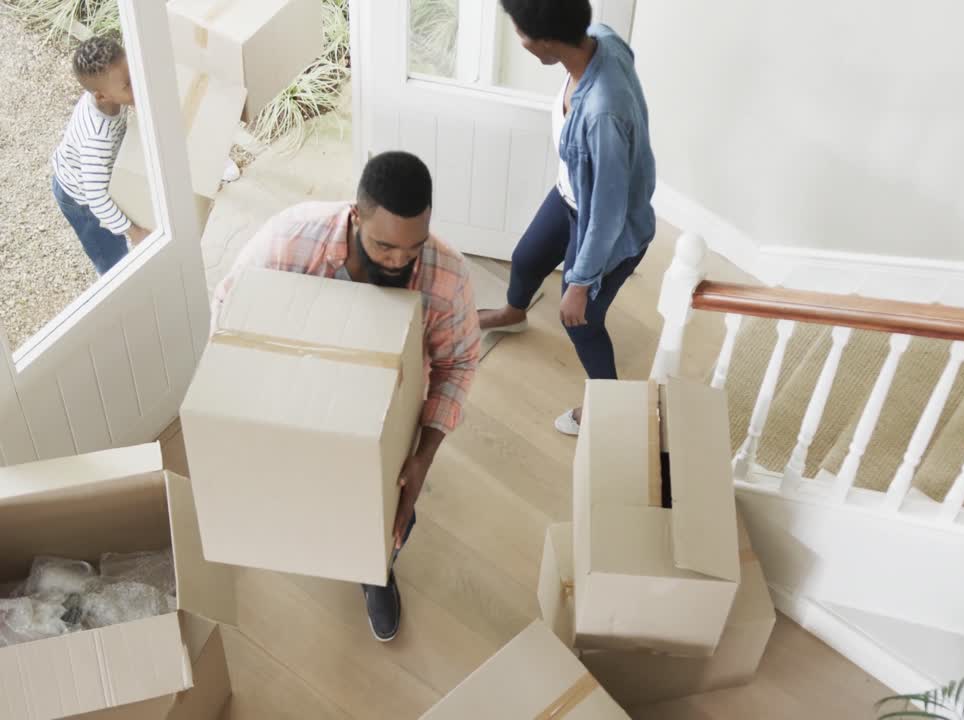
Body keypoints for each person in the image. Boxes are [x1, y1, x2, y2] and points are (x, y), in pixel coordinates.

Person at [211, 151, 480, 642]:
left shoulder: (448, 277)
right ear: (356, 215)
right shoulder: (291, 241)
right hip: (299, 391)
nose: (400, 261)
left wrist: (423, 457)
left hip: (386, 409)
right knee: (304, 493)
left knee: (385, 509)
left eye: (412, 248)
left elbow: (458, 363)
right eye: (384, 246)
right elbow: (231, 308)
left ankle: (376, 567)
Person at [478, 0, 656, 436]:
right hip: (571, 196)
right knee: (525, 258)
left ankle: (608, 406)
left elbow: (608, 215)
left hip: (605, 225)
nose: (519, 40)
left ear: (546, 43)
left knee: (580, 320)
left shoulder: (602, 114)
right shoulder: (603, 39)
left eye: (520, 32)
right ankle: (512, 313)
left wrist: (579, 283)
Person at [52, 35, 151, 276]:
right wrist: (135, 233)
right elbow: (97, 198)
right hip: (80, 198)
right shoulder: (98, 140)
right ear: (101, 96)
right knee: (111, 255)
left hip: (87, 175)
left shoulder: (108, 96)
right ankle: (116, 286)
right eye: (128, 85)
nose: (136, 84)